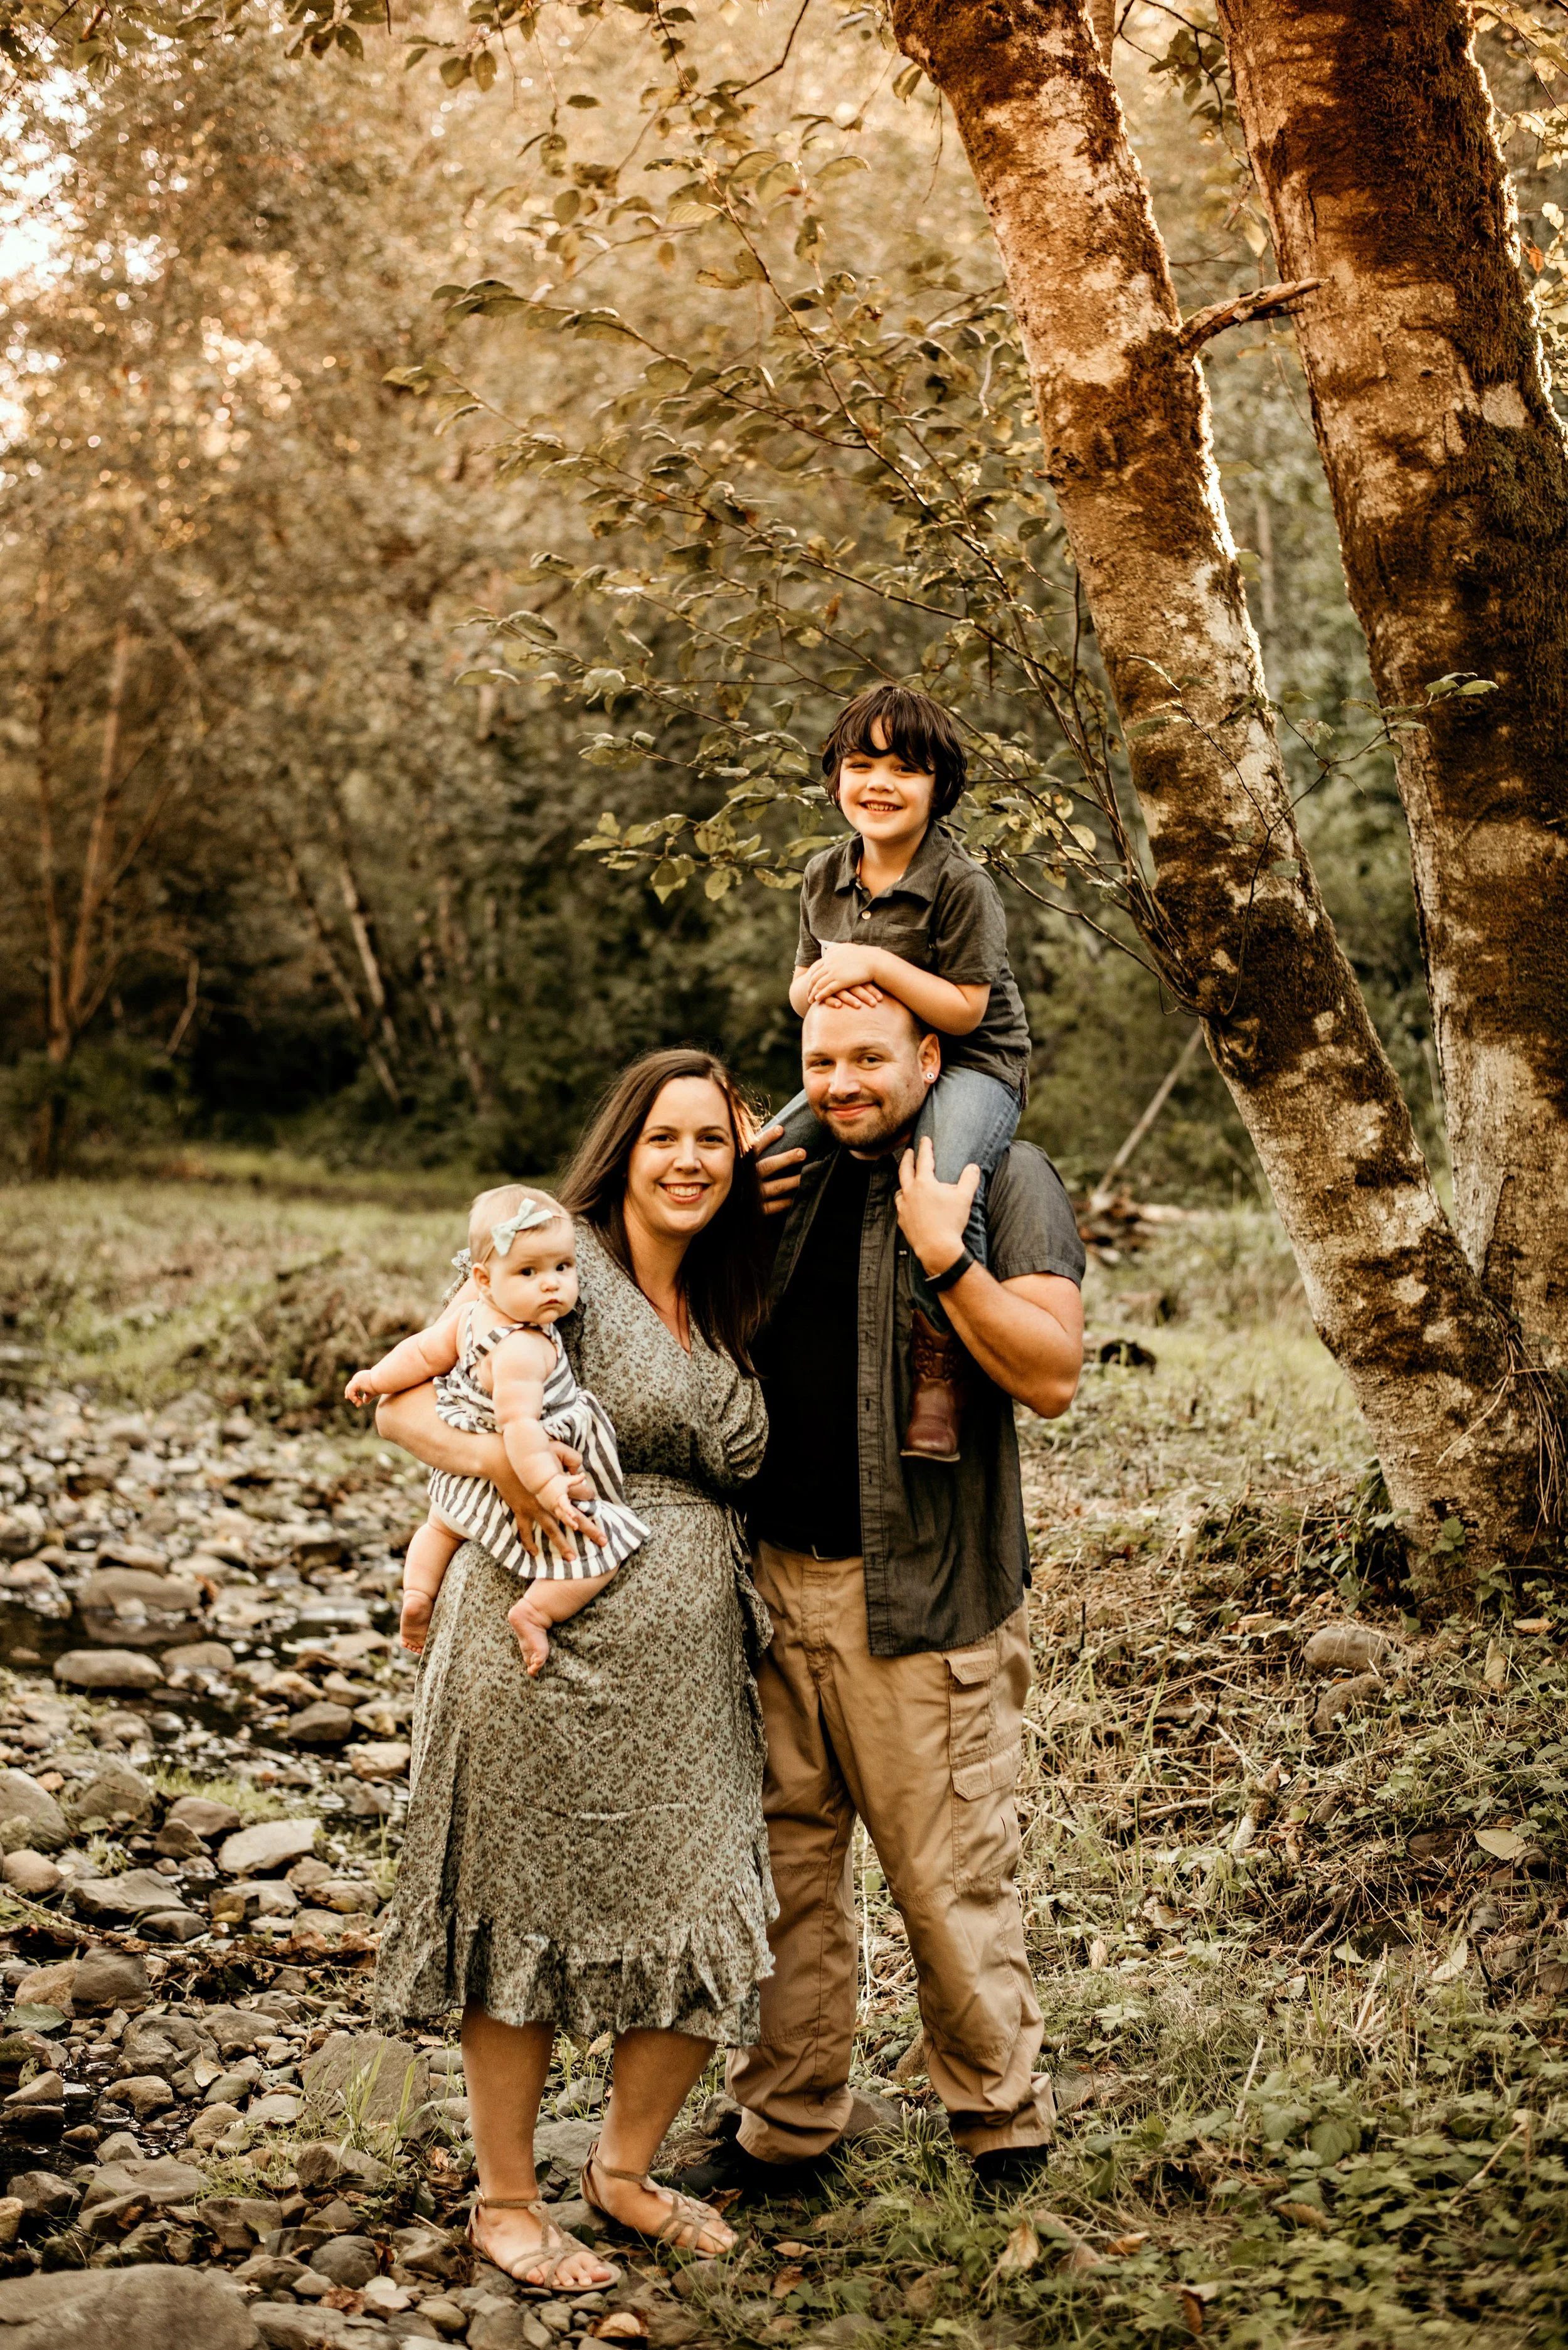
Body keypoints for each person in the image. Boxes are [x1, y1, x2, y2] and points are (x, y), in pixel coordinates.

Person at [373, 1051, 775, 2294]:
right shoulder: (555, 1264)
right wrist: (503, 1465)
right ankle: (504, 2201)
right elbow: (401, 1408)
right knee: (519, 1897)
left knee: (703, 1895)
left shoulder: (732, 1288)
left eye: (712, 1139)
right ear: (623, 1148)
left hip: (687, 1663)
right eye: (664, 1137)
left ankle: (622, 2170)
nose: (689, 1161)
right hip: (531, 1636)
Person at [713, 992, 1084, 2194]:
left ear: (931, 1056)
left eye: (869, 1057)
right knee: (784, 1880)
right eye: (820, 1060)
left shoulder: (1008, 1177)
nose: (842, 1082)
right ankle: (785, 2126)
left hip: (922, 1598)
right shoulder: (786, 1183)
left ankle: (1001, 2128)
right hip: (769, 1588)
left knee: (947, 1878)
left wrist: (946, 1256)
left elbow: (1053, 1375)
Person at [771, 683, 1032, 1462]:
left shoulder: (960, 885)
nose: (879, 783)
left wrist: (875, 965)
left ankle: (939, 1363)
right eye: (861, 764)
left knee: (940, 1177)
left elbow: (965, 1010)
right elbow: (800, 989)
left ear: (938, 787)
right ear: (835, 779)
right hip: (866, 1061)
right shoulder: (823, 874)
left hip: (973, 1062)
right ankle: (749, 1323)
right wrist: (830, 983)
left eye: (905, 768)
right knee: (765, 1156)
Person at [344, 1183, 648, 1671]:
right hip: (515, 1486)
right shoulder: (525, 1348)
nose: (550, 1284)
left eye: (563, 1268)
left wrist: (375, 1377)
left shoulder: (468, 1318)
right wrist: (547, 1487)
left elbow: (420, 1353)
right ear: (484, 1279)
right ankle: (535, 1613)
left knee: (437, 1529)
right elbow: (519, 1427)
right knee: (605, 1546)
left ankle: (417, 1594)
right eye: (529, 1272)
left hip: (458, 1486)